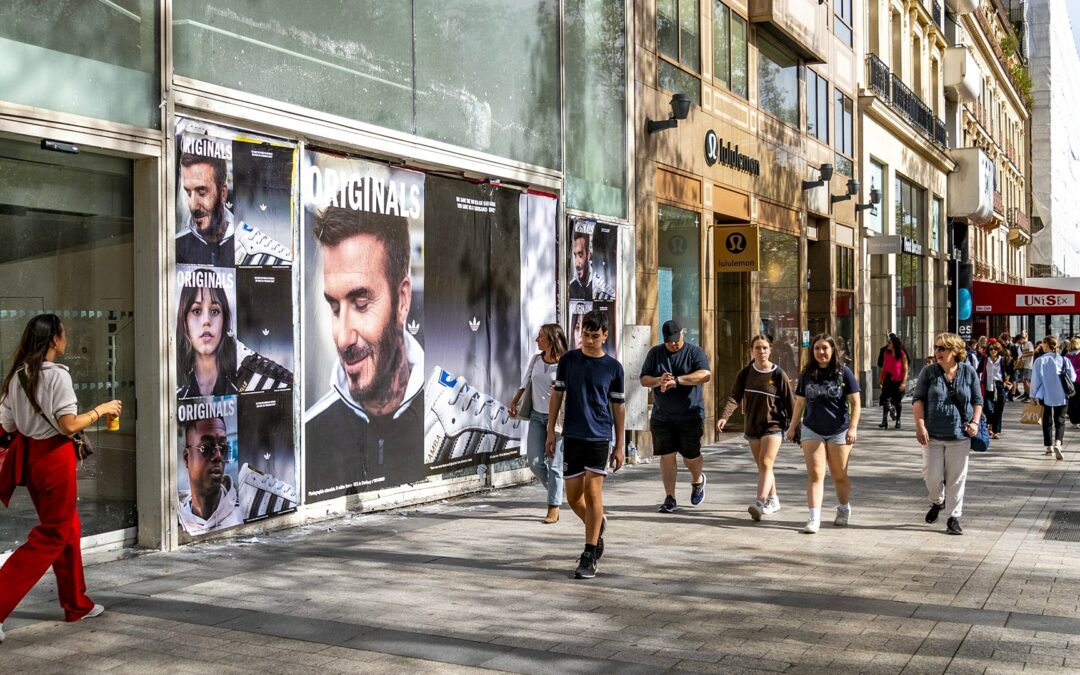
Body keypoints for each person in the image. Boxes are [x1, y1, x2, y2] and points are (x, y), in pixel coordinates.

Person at [0, 314, 122, 642]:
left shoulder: (18, 376)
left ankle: (76, 604)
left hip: (31, 460)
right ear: (54, 340)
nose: (66, 338)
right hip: (55, 459)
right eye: (64, 334)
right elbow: (68, 425)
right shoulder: (57, 376)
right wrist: (102, 410)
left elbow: (7, 425)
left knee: (68, 528)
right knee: (53, 534)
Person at [304, 206, 425, 494]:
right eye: (335, 308)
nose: (343, 338)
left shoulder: (445, 417)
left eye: (360, 304)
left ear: (402, 300)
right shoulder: (310, 438)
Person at [546, 310, 624, 580]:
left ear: (605, 336)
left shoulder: (613, 368)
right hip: (573, 436)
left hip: (600, 437)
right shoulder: (568, 360)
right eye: (586, 335)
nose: (590, 341)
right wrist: (550, 432)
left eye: (595, 336)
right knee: (573, 498)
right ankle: (597, 523)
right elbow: (557, 395)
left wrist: (620, 445)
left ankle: (589, 554)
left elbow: (618, 407)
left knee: (593, 494)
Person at [785, 334, 861, 534]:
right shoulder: (807, 373)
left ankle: (843, 507)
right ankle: (814, 518)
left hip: (839, 431)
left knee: (839, 475)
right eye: (817, 348)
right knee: (815, 474)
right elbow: (800, 402)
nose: (821, 352)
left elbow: (855, 403)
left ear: (833, 350)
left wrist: (853, 428)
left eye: (825, 348)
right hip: (812, 429)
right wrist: (792, 427)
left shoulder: (844, 372)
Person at [716, 335, 794, 521]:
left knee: (766, 463)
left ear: (771, 350)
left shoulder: (778, 374)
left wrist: (795, 428)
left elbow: (790, 403)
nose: (761, 351)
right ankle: (773, 500)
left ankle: (759, 503)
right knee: (764, 466)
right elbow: (734, 397)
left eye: (765, 348)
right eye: (757, 348)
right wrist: (724, 417)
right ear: (751, 351)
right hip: (752, 426)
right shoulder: (745, 373)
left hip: (773, 426)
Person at [912, 332, 983, 536]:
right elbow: (918, 400)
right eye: (936, 347)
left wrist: (975, 422)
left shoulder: (968, 372)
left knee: (956, 479)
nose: (937, 352)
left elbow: (977, 400)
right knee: (932, 477)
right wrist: (920, 426)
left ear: (955, 351)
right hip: (932, 435)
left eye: (942, 348)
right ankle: (938, 501)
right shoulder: (929, 372)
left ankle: (954, 518)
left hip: (960, 435)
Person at [640, 320, 712, 514]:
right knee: (667, 456)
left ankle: (697, 480)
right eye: (669, 340)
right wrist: (659, 380)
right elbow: (644, 379)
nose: (673, 344)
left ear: (683, 334)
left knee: (690, 457)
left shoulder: (694, 352)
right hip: (662, 416)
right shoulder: (655, 353)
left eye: (676, 340)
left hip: (690, 414)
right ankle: (670, 497)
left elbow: (705, 375)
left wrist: (678, 381)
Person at [508, 324, 568, 524]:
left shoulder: (565, 363)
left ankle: (553, 507)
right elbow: (525, 383)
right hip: (537, 416)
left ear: (551, 339)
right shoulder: (536, 360)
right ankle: (556, 491)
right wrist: (514, 402)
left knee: (555, 465)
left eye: (541, 336)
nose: (536, 339)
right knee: (534, 462)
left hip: (557, 420)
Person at [176, 271, 239, 398]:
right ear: (184, 321)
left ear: (224, 320)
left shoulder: (242, 380)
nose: (206, 321)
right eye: (196, 311)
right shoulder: (174, 386)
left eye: (215, 311)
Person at [178, 416, 243, 535]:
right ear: (187, 459)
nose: (218, 456)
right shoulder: (174, 521)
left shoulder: (243, 513)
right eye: (206, 448)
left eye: (223, 448)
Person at [177, 151, 235, 266]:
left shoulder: (247, 244)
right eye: (188, 193)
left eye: (202, 192)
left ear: (223, 194)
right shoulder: (176, 245)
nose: (193, 206)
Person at [1031, 335, 1076, 460]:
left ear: (1046, 344)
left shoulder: (1040, 361)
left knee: (1047, 420)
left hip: (1044, 394)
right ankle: (1058, 443)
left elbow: (1035, 380)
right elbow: (1072, 377)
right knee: (1060, 420)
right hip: (1062, 394)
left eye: (1043, 343)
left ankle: (1049, 446)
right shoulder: (1063, 359)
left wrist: (1033, 395)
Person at [568, 231, 614, 301]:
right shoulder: (570, 288)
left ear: (588, 255)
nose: (576, 264)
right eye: (575, 255)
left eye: (580, 255)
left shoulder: (602, 290)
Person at [980, 340, 1009, 440]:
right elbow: (978, 370)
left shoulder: (1002, 360)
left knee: (998, 410)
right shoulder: (985, 359)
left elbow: (1009, 371)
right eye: (991, 349)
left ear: (998, 350)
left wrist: (1006, 382)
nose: (993, 351)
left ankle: (995, 432)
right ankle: (990, 424)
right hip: (988, 386)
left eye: (995, 349)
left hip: (999, 386)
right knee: (988, 409)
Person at [878, 334, 909, 430]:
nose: (887, 344)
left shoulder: (902, 354)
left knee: (898, 401)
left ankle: (898, 420)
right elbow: (884, 368)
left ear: (894, 343)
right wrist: (881, 379)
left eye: (889, 342)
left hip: (898, 380)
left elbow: (905, 369)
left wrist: (903, 382)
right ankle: (884, 420)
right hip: (888, 379)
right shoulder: (886, 353)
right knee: (885, 400)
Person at [1065, 337, 1080, 428]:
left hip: (1070, 381)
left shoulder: (1067, 356)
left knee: (1072, 400)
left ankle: (1074, 421)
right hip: (1079, 380)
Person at [1015, 331, 1034, 400]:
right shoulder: (1022, 346)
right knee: (1024, 380)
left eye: (1019, 341)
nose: (1018, 343)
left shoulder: (1029, 343)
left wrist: (1023, 355)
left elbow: (1032, 353)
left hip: (1028, 365)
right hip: (1024, 365)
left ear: (1021, 339)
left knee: (1026, 380)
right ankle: (1026, 393)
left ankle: (1030, 395)